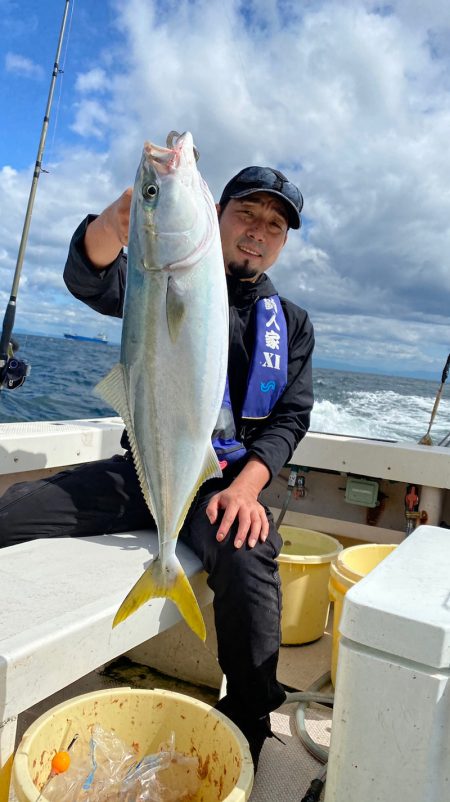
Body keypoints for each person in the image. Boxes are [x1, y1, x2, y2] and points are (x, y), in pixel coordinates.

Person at [0, 165, 314, 769]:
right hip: (140, 466)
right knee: (12, 512)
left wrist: (249, 487)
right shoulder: (161, 277)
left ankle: (249, 716)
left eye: (274, 225)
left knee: (250, 558)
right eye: (246, 214)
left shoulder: (292, 325)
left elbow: (290, 418)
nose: (258, 231)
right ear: (214, 215)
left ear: (283, 242)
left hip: (220, 485)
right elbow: (90, 279)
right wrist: (117, 224)